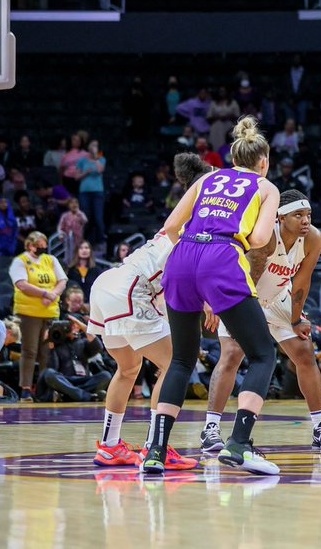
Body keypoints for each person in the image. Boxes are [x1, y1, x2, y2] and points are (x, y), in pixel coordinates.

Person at [142, 116, 282, 476]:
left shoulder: (206, 178)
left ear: (233, 157)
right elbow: (263, 238)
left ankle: (156, 451)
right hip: (222, 257)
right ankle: (238, 444)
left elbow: (170, 227)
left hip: (183, 256)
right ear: (263, 161)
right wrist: (225, 251)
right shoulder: (266, 187)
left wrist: (195, 260)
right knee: (263, 353)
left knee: (181, 361)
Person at [87, 153, 209, 470]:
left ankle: (110, 446)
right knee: (175, 364)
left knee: (128, 369)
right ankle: (157, 447)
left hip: (108, 284)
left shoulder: (179, 227)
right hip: (132, 286)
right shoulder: (193, 232)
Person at [201, 189, 321, 452]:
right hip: (242, 294)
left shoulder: (313, 239)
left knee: (305, 351)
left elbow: (302, 281)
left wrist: (296, 320)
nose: (306, 221)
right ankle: (211, 429)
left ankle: (320, 427)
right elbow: (242, 276)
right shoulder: (264, 238)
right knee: (232, 354)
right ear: (280, 218)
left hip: (276, 298)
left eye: (308, 214)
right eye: (298, 215)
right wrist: (216, 302)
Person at [9, 231, 67, 401]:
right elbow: (22, 285)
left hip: (49, 313)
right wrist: (44, 293)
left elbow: (62, 281)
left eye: (44, 244)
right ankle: (25, 389)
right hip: (28, 313)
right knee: (30, 351)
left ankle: (45, 389)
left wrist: (53, 295)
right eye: (39, 244)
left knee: (46, 352)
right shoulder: (20, 261)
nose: (43, 247)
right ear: (29, 245)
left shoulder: (51, 260)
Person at [37, 313, 112, 402]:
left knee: (105, 375)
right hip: (65, 380)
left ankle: (68, 395)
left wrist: (80, 323)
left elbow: (98, 346)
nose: (73, 327)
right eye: (70, 325)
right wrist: (50, 343)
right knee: (49, 373)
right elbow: (53, 368)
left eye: (75, 325)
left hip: (83, 381)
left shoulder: (83, 342)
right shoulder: (57, 343)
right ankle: (85, 396)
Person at [76, 140, 107, 247]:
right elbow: (76, 177)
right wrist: (86, 172)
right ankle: (85, 242)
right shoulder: (82, 161)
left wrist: (96, 158)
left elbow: (100, 170)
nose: (94, 147)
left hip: (98, 192)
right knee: (86, 217)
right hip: (84, 192)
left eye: (96, 145)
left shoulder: (101, 159)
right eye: (93, 145)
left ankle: (101, 242)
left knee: (98, 217)